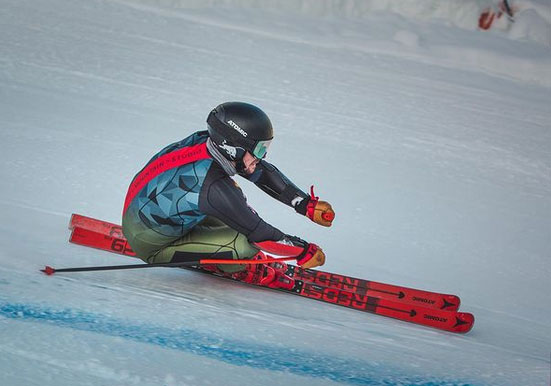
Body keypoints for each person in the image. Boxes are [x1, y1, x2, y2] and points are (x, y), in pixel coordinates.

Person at [121, 102, 335, 289]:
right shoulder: (212, 185)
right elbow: (260, 234)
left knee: (233, 210)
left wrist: (305, 204)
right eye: (259, 150)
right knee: (243, 243)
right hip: (150, 245)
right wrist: (303, 251)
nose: (262, 156)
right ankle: (236, 267)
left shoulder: (208, 142)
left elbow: (260, 173)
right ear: (234, 149)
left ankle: (209, 244)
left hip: (148, 213)